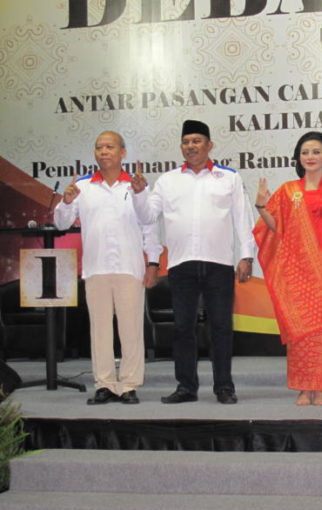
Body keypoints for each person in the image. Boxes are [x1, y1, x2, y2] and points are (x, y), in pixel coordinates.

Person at [131, 120, 255, 405]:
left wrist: (246, 256)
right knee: (183, 327)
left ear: (209, 145)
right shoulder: (168, 180)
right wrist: (140, 193)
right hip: (181, 264)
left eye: (197, 141)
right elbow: (148, 216)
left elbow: (242, 220)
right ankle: (186, 387)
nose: (191, 146)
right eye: (186, 142)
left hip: (219, 263)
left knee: (221, 327)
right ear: (181, 147)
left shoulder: (229, 178)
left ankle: (224, 386)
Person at [54, 131, 162, 405]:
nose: (103, 151)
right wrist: (66, 202)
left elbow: (149, 223)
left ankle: (128, 385)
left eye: (109, 147)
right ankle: (104, 384)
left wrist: (152, 262)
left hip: (129, 267)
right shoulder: (83, 186)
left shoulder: (135, 186)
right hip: (96, 267)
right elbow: (61, 224)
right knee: (99, 329)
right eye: (99, 147)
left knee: (131, 329)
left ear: (122, 153)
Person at [253, 132, 322, 406]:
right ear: (298, 157)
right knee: (301, 330)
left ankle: (321, 387)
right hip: (295, 269)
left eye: (316, 151)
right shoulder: (288, 190)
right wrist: (261, 205)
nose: (310, 156)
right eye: (305, 152)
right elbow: (276, 230)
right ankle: (302, 387)